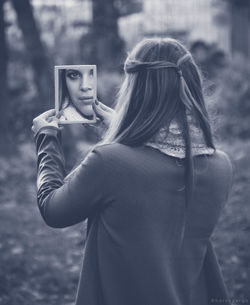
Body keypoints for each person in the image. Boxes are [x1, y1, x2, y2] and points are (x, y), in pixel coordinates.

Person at [32, 37, 233, 305]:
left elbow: (53, 209)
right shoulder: (221, 166)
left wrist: (46, 138)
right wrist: (121, 135)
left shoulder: (110, 161)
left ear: (135, 90)